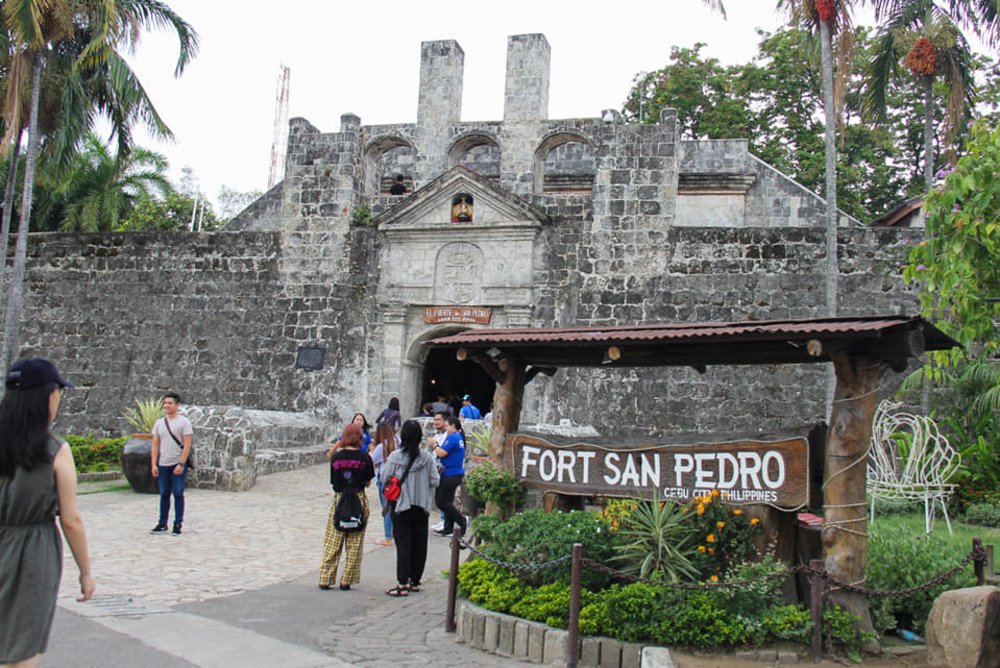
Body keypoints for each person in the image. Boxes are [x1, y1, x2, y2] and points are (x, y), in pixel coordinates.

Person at [0, 358, 94, 667]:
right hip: (32, 552)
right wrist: (85, 571)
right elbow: (71, 519)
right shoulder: (54, 450)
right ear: (47, 396)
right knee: (25, 645)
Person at [382, 420, 439, 597]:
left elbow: (385, 478)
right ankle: (415, 580)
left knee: (403, 545)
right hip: (421, 505)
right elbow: (435, 480)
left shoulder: (395, 457)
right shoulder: (427, 458)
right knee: (420, 544)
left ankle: (402, 583)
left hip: (402, 505)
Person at [319, 422, 375, 591]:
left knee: (333, 540)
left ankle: (325, 578)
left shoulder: (336, 458)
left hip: (340, 498)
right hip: (358, 497)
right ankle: (347, 579)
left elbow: (333, 482)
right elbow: (368, 481)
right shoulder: (365, 458)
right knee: (355, 543)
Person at [150, 392, 193, 536]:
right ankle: (162, 523)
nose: (167, 405)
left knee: (178, 493)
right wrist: (154, 464)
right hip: (163, 463)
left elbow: (187, 444)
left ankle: (178, 523)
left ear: (177, 405)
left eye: (170, 403)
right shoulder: (159, 423)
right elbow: (155, 445)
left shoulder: (184, 422)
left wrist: (181, 463)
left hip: (177, 463)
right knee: (164, 494)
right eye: (165, 403)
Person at [433, 416, 467, 538]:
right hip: (453, 472)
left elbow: (442, 453)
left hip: (450, 473)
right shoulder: (458, 437)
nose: (446, 428)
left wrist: (435, 445)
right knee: (447, 500)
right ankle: (448, 528)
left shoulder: (453, 437)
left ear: (453, 426)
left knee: (442, 501)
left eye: (447, 426)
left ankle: (461, 520)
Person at [370, 422, 398, 546]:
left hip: (385, 480)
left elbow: (372, 460)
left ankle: (388, 536)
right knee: (395, 508)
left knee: (386, 508)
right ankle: (395, 533)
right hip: (397, 479)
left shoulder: (381, 447)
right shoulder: (398, 441)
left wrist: (371, 451)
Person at [426, 411, 448, 532]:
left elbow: (442, 451)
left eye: (438, 420)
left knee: (442, 497)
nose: (436, 422)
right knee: (438, 495)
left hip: (444, 469)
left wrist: (434, 445)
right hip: (436, 467)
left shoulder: (447, 435)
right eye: (435, 420)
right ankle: (442, 519)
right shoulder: (437, 435)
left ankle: (446, 520)